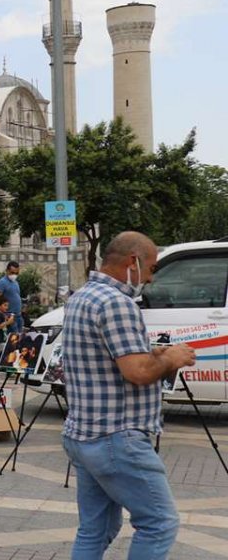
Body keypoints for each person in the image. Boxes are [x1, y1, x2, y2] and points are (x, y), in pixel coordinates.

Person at [60, 231, 196, 559]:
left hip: (85, 434)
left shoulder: (82, 296)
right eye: (150, 269)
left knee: (95, 530)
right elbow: (137, 372)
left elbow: (112, 356)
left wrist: (154, 354)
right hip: (116, 438)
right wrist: (172, 358)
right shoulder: (117, 303)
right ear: (132, 262)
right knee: (159, 523)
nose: (150, 279)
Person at [0, 261, 23, 334]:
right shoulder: (2, 282)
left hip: (18, 316)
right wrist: (3, 316)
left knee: (19, 340)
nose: (14, 275)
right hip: (9, 317)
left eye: (16, 273)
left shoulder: (15, 282)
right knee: (12, 341)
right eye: (12, 272)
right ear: (7, 271)